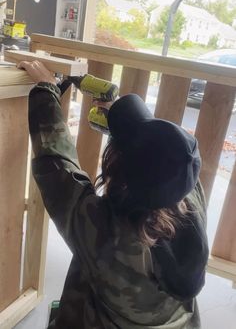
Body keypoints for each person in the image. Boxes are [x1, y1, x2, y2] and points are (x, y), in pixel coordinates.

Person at [18, 60, 209, 329]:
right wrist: (123, 130)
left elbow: (57, 164)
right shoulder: (189, 195)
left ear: (117, 166)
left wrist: (45, 91)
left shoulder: (106, 233)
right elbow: (159, 161)